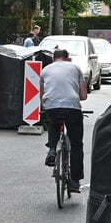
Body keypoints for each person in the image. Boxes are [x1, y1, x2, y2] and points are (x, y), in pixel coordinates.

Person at [40, 48, 87, 194]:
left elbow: (42, 96)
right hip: (72, 108)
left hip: (51, 107)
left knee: (53, 123)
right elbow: (84, 95)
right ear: (67, 58)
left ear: (54, 59)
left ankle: (52, 150)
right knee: (76, 144)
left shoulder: (45, 70)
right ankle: (74, 181)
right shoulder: (75, 68)